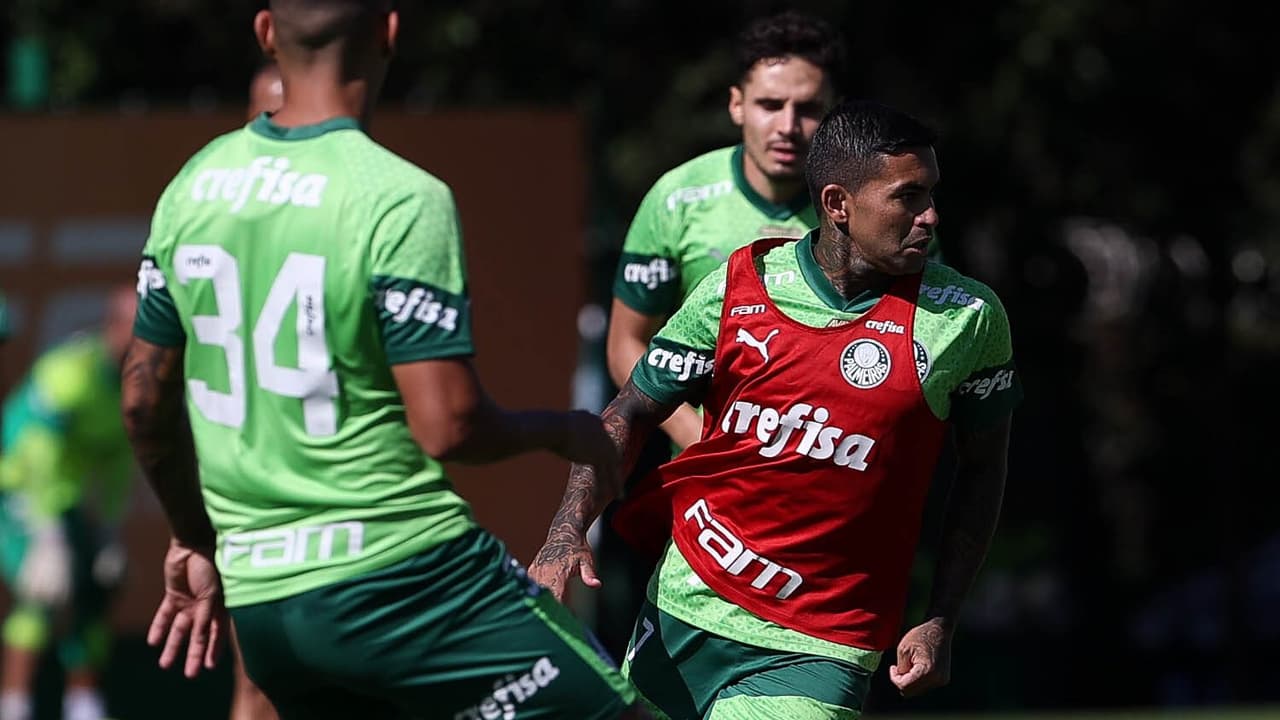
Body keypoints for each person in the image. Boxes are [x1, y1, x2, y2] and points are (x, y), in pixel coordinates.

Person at [120, 1, 637, 719]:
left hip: (264, 602)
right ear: (391, 32)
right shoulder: (398, 197)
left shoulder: (196, 184)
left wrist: (191, 535)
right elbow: (449, 426)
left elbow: (143, 401)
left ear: (267, 33)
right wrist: (563, 430)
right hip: (404, 579)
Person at [530, 99, 1021, 719]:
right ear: (838, 204)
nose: (930, 216)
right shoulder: (737, 289)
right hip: (684, 609)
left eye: (931, 193)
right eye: (908, 196)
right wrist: (564, 532)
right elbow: (629, 414)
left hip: (822, 644)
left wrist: (941, 618)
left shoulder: (967, 320)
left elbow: (984, 471)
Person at [607, 9, 845, 451]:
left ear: (833, 111)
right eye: (770, 105)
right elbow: (626, 343)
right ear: (737, 104)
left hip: (839, 470)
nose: (787, 127)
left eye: (808, 109)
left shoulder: (870, 203)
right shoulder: (677, 198)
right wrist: (699, 439)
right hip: (711, 485)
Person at [0, 285, 138, 720]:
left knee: (96, 591)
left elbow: (117, 462)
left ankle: (82, 706)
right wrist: (44, 532)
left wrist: (109, 529)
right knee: (39, 596)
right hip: (22, 495)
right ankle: (14, 707)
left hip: (69, 500)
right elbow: (35, 453)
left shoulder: (132, 386)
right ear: (113, 327)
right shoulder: (67, 373)